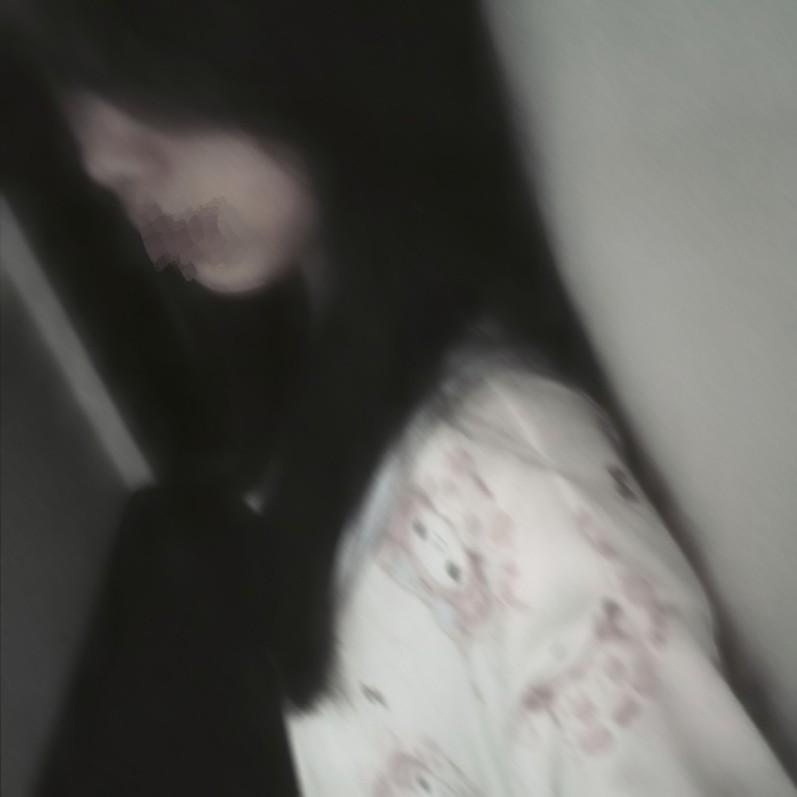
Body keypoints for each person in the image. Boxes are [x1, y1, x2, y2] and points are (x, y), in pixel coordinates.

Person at [3, 1, 794, 795]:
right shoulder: (295, 357)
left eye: (131, 48)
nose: (100, 156)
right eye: (71, 75)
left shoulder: (528, 519)